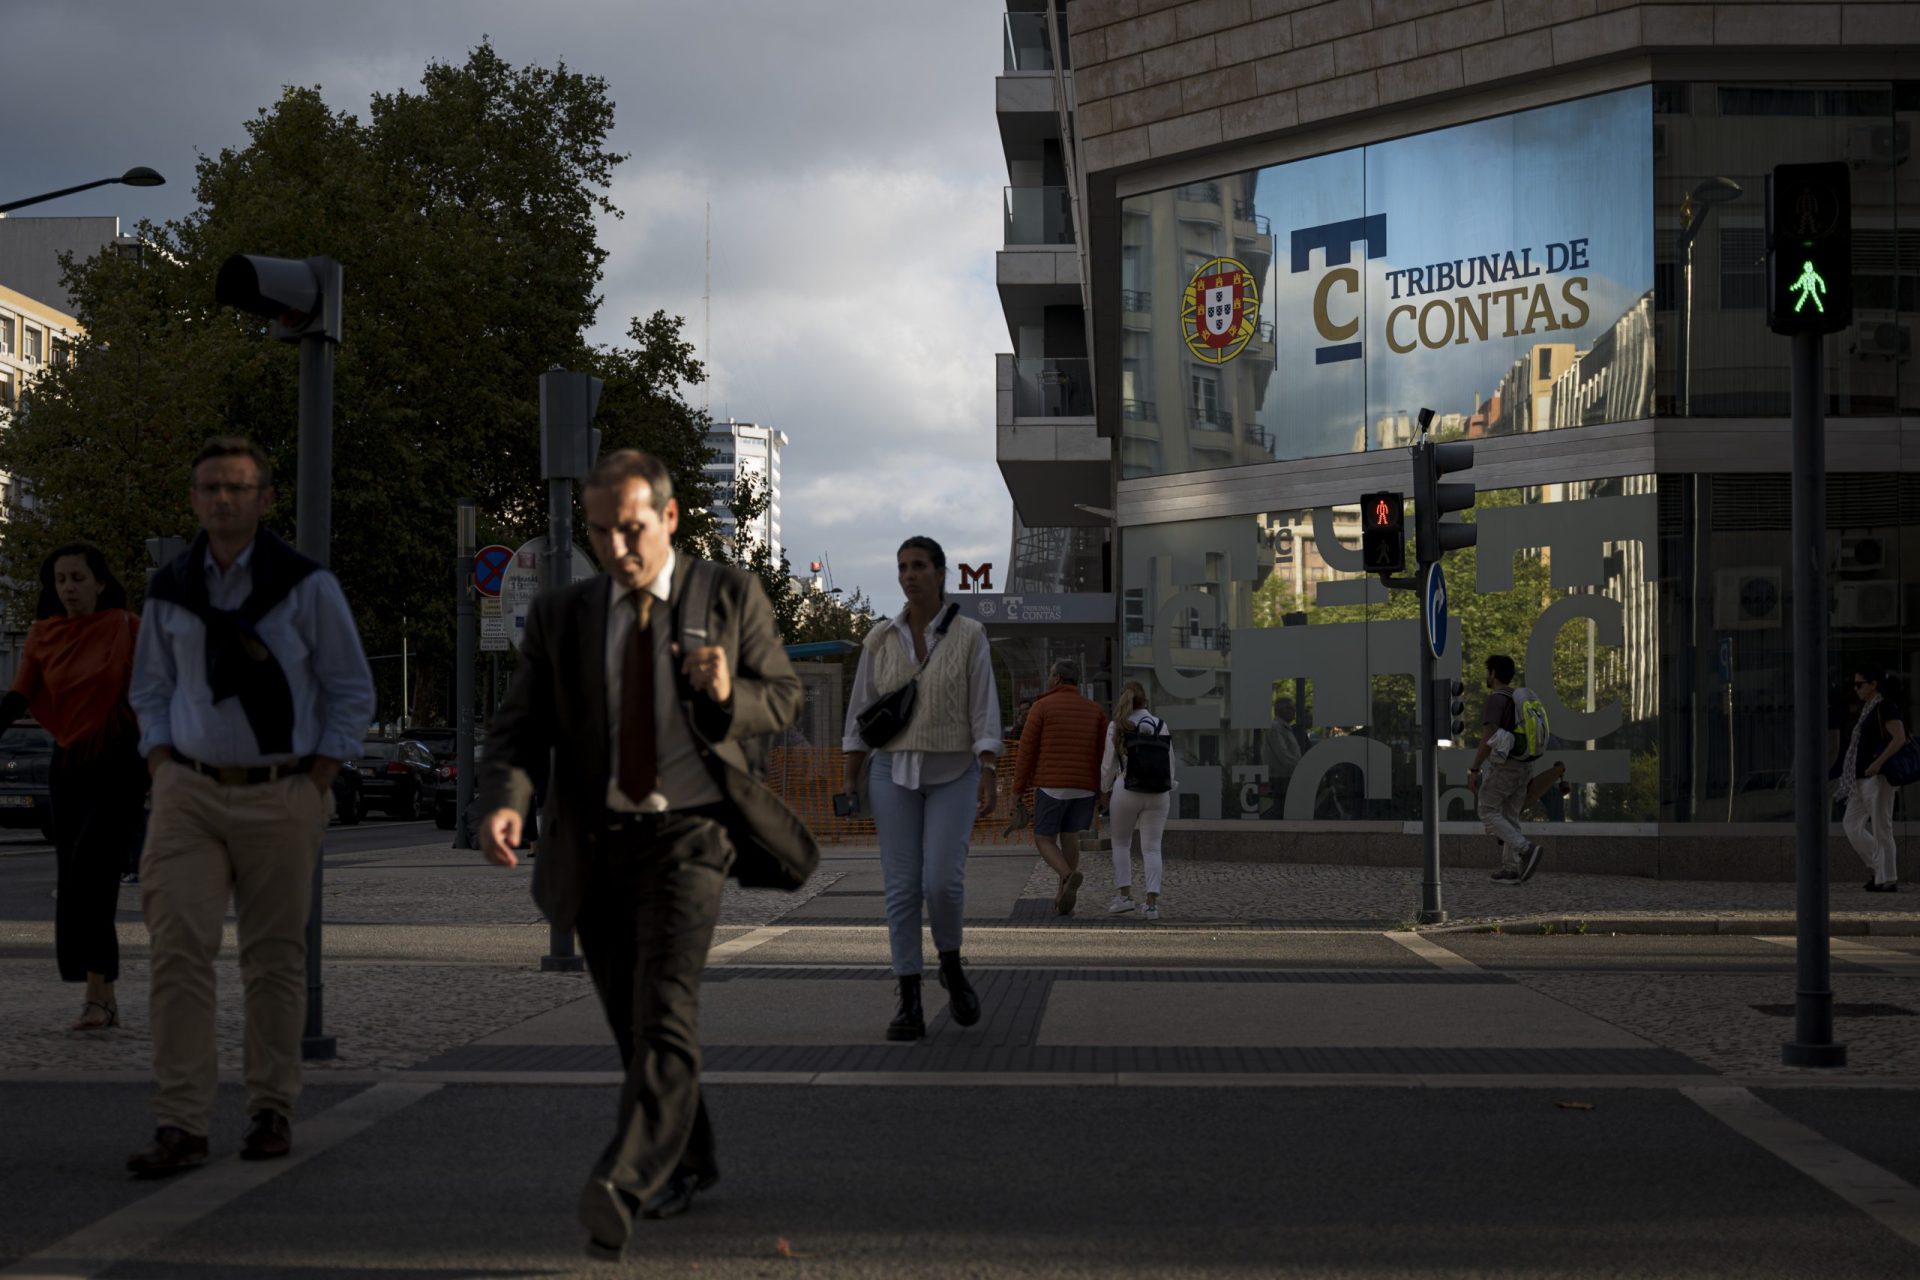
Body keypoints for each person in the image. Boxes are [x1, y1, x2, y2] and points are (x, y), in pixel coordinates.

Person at [477, 449, 817, 1259]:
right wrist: (505, 802)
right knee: (634, 1026)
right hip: (594, 842)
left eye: (631, 529)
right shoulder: (564, 616)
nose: (617, 548)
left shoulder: (727, 594)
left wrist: (731, 690)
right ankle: (690, 1155)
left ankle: (623, 1182)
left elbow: (786, 697)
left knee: (665, 1008)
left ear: (667, 518)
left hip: (689, 836)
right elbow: (520, 728)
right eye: (600, 532)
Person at [126, 438, 375, 1177]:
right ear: (194, 500)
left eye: (238, 488)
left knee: (272, 960)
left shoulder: (306, 586)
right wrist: (163, 762)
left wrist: (319, 777)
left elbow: (349, 688)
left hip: (282, 792)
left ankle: (272, 1108)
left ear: (266, 498)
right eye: (210, 489)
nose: (223, 501)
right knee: (177, 955)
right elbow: (150, 688)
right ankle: (182, 1124)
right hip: (189, 793)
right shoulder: (169, 587)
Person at [843, 536, 999, 1042]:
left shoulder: (971, 634)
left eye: (919, 567)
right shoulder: (879, 638)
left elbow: (983, 708)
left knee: (942, 884)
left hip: (954, 771)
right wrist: (852, 773)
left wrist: (990, 767)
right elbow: (860, 711)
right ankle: (908, 995)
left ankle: (950, 964)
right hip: (892, 774)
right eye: (903, 567)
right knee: (902, 888)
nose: (909, 576)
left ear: (939, 573)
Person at [0, 543, 146, 1031]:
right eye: (60, 579)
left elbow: (161, 692)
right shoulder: (43, 635)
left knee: (93, 877)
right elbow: (18, 697)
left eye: (78, 578)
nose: (68, 588)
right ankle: (99, 995)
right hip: (68, 769)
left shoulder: (127, 628)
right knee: (74, 882)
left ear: (100, 582)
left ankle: (99, 997)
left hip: (119, 765)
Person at [1012, 659, 1107, 915]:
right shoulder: (1095, 711)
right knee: (1070, 837)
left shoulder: (1041, 707)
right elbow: (1103, 755)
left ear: (1056, 678)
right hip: (1084, 788)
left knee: (1044, 839)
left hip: (1051, 786)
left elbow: (1026, 752)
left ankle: (1067, 875)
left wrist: (1017, 791)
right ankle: (1061, 894)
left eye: (1050, 674)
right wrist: (1101, 792)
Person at [1099, 681, 1175, 920]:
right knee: (1152, 847)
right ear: (1146, 701)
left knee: (1121, 843)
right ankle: (1151, 905)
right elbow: (1170, 768)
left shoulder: (1118, 725)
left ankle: (1125, 897)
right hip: (1159, 794)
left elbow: (1107, 765)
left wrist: (1105, 789)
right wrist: (1166, 786)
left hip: (1127, 788)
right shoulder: (1161, 725)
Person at [1466, 654, 1544, 885]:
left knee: (1487, 810)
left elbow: (1488, 736)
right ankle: (1510, 868)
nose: (1486, 676)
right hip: (1525, 765)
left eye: (1487, 671)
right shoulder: (1518, 698)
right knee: (1510, 815)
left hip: (1505, 766)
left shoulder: (1496, 699)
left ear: (1493, 673)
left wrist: (1474, 768)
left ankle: (1525, 849)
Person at [1836, 667, 1905, 892]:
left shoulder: (1885, 707)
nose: (1856, 689)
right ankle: (1879, 868)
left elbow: (1899, 738)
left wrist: (1878, 763)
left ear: (1873, 684)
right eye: (1855, 685)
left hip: (1878, 777)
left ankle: (1888, 878)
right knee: (1851, 824)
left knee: (1882, 827)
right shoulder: (1868, 709)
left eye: (1860, 684)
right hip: (1859, 779)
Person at [1260, 691, 1310, 818]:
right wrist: (1301, 768)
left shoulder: (1284, 727)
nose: (1294, 711)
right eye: (1290, 708)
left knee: (1283, 809)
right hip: (1281, 777)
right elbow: (1283, 755)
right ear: (1281, 710)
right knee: (1281, 809)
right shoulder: (1275, 727)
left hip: (1286, 775)